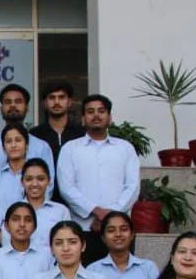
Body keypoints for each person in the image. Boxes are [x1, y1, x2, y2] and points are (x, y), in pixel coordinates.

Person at [56, 94, 140, 265]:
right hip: (84, 228)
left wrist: (109, 216)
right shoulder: (70, 149)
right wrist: (94, 210)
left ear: (110, 117)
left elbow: (132, 187)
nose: (96, 115)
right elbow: (66, 187)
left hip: (119, 231)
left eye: (101, 111)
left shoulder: (125, 148)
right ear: (83, 118)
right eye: (90, 111)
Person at [0, 84, 55, 204]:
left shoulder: (42, 147)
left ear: (27, 108)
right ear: (1, 108)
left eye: (18, 101)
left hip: (33, 213)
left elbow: (49, 186)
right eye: (8, 102)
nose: (13, 105)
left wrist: (33, 210)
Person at [0, 123, 30, 253]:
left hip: (31, 239)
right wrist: (7, 241)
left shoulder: (34, 177)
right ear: (3, 148)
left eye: (18, 140)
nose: (13, 145)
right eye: (9, 141)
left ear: (27, 145)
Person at [18, 158, 70, 257]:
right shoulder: (13, 211)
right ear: (22, 182)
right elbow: (8, 245)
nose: (34, 184)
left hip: (53, 264)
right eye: (29, 179)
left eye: (40, 179)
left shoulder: (61, 211)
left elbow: (66, 243)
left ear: (49, 181)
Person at [30, 81, 85, 167]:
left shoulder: (82, 134)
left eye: (61, 97)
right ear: (44, 103)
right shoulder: (35, 135)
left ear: (70, 102)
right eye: (52, 98)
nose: (56, 102)